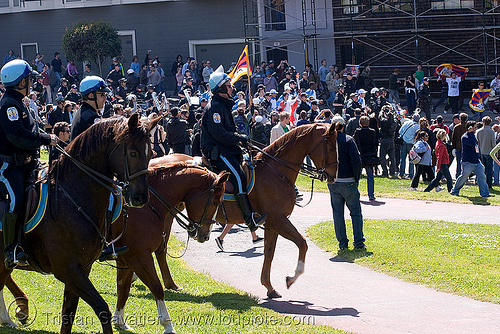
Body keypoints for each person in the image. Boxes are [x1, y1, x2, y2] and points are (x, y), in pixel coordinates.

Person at [0, 59, 58, 269]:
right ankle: (11, 249)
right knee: (16, 200)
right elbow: (18, 137)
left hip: (29, 164)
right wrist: (45, 139)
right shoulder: (8, 105)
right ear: (20, 81)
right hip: (10, 168)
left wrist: (48, 137)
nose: (32, 82)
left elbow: (32, 132)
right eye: (29, 78)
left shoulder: (19, 104)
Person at [201, 66, 267, 232]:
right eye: (229, 86)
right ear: (222, 88)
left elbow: (228, 131)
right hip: (218, 151)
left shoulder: (223, 106)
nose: (232, 88)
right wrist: (240, 138)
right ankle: (249, 219)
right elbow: (219, 134)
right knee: (238, 177)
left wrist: (240, 139)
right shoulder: (215, 107)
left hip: (227, 148)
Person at [327, 115, 365, 250]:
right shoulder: (348, 140)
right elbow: (356, 161)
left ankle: (342, 243)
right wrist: (356, 178)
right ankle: (359, 242)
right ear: (344, 126)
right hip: (348, 180)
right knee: (355, 212)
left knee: (338, 214)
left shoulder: (327, 141)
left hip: (334, 181)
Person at [450, 120, 493, 197]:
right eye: (474, 127)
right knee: (463, 177)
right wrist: (470, 133)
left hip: (476, 162)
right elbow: (472, 143)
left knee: (482, 176)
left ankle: (485, 193)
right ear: (470, 128)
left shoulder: (473, 136)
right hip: (468, 162)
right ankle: (454, 191)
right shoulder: (465, 137)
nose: (476, 128)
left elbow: (476, 145)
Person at [353, 115, 378, 200]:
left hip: (360, 154)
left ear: (360, 123)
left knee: (357, 175)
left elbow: (354, 141)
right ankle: (371, 194)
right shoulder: (372, 132)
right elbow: (375, 143)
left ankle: (355, 193)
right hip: (370, 154)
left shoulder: (358, 131)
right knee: (370, 175)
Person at [476, 116, 496, 189]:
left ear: (483, 122)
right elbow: (493, 144)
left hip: (481, 152)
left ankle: (481, 184)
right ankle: (489, 185)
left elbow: (477, 143)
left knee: (482, 170)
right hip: (489, 152)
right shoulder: (491, 131)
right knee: (489, 170)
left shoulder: (478, 131)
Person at [398, 113, 420, 179]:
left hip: (404, 142)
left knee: (403, 159)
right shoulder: (417, 127)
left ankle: (401, 173)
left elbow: (400, 131)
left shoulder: (407, 123)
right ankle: (411, 174)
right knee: (412, 159)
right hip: (411, 143)